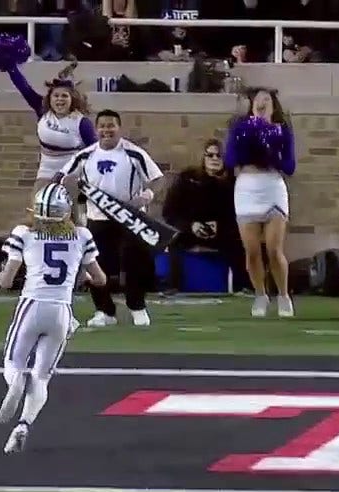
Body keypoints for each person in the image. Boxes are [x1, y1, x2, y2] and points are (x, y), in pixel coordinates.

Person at [0, 183, 106, 455]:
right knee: (42, 377)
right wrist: (81, 276)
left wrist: (0, 275)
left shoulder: (25, 234)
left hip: (32, 306)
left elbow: (6, 281)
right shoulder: (81, 236)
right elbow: (100, 279)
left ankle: (17, 380)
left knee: (12, 362)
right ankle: (23, 425)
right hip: (61, 312)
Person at [50, 109, 163, 328]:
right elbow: (63, 175)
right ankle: (104, 311)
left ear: (119, 128)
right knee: (96, 266)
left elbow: (157, 179)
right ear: (96, 129)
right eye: (102, 126)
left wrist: (146, 196)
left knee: (134, 264)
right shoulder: (86, 154)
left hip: (129, 218)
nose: (106, 130)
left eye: (111, 125)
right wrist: (60, 190)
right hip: (97, 218)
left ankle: (137, 307)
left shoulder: (134, 153)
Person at [0, 36, 97, 193]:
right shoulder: (43, 111)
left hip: (73, 174)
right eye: (56, 96)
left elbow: (95, 151)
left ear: (73, 99)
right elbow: (24, 88)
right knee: (39, 207)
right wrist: (11, 67)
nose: (60, 100)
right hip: (46, 172)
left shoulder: (81, 122)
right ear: (50, 98)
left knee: (69, 211)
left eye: (65, 96)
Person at [225, 88, 297, 318]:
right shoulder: (240, 128)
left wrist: (270, 150)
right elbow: (230, 159)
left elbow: (289, 166)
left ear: (274, 106)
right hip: (247, 188)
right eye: (258, 99)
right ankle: (260, 294)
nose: (262, 103)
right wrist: (250, 142)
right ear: (251, 105)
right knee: (252, 251)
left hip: (272, 187)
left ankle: (284, 295)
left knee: (274, 248)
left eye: (267, 99)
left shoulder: (282, 130)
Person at [160, 139, 249, 295]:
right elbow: (170, 212)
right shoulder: (187, 179)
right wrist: (190, 226)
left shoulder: (233, 184)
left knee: (239, 242)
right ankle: (173, 286)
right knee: (174, 240)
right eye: (210, 155)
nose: (214, 159)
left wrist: (219, 227)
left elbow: (240, 214)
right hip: (190, 230)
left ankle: (242, 286)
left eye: (219, 156)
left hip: (222, 232)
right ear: (204, 158)